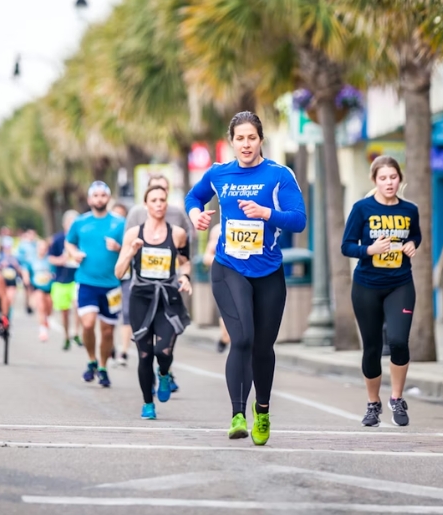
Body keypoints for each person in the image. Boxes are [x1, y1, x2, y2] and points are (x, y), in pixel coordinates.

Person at [185, 111, 306, 445]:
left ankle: (262, 411)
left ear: (261, 140)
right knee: (242, 339)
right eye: (240, 138)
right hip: (229, 267)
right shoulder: (219, 174)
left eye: (252, 137)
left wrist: (266, 213)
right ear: (232, 141)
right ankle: (238, 414)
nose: (246, 144)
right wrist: (197, 215)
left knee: (263, 347)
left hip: (268, 272)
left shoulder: (279, 175)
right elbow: (193, 197)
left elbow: (298, 220)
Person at [341, 156, 420, 428]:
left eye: (393, 177)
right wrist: (369, 250)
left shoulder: (410, 210)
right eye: (383, 178)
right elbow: (347, 246)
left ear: (400, 179)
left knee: (398, 340)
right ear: (374, 180)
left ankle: (396, 398)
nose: (389, 183)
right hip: (366, 286)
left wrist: (411, 245)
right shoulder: (362, 209)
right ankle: (373, 403)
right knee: (372, 348)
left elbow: (416, 235)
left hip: (400, 283)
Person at [115, 185, 193, 419]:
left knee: (163, 350)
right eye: (154, 200)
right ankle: (148, 403)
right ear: (146, 205)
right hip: (141, 297)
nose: (159, 204)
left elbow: (185, 261)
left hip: (168, 298)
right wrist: (131, 252)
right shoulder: (133, 234)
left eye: (162, 200)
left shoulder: (177, 233)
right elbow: (118, 272)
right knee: (145, 354)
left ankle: (165, 373)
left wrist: (185, 277)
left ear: (166, 203)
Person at [66, 181, 126, 388]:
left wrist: (118, 247)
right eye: (96, 195)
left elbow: (130, 248)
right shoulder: (80, 222)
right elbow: (69, 242)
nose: (99, 199)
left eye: (103, 195)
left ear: (108, 198)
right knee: (88, 323)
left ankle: (102, 366)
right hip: (86, 282)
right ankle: (91, 359)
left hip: (112, 285)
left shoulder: (119, 223)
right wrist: (73, 253)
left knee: (108, 331)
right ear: (90, 199)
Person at [49, 210, 81, 351]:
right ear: (64, 224)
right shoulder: (57, 239)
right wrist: (60, 260)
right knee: (64, 311)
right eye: (69, 223)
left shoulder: (81, 239)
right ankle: (66, 335)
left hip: (78, 278)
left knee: (78, 306)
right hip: (61, 280)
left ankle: (76, 333)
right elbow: (50, 258)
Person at [111, 203, 132, 366]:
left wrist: (118, 248)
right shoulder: (106, 231)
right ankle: (111, 346)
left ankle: (124, 351)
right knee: (111, 312)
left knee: (126, 312)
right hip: (110, 279)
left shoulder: (130, 232)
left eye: (121, 215)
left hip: (126, 277)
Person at [203, 223, 230, 353]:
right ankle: (224, 340)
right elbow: (206, 258)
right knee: (228, 334)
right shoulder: (218, 229)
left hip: (247, 279)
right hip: (224, 280)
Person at [25, 238, 55, 342]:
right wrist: (26, 279)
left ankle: (47, 319)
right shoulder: (32, 260)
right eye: (40, 247)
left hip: (49, 288)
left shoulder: (50, 260)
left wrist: (50, 275)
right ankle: (42, 330)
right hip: (37, 287)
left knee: (49, 308)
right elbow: (26, 270)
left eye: (44, 248)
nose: (42, 250)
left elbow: (55, 273)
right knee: (41, 306)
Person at [17, 228, 39, 315]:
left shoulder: (35, 245)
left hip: (34, 268)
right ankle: (28, 303)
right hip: (25, 267)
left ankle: (31, 303)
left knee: (32, 286)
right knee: (27, 285)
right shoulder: (23, 245)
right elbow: (19, 258)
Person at [0, 241, 23, 317]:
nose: (7, 249)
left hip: (12, 282)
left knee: (10, 300)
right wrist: (1, 266)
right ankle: (4, 315)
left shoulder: (15, 258)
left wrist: (16, 266)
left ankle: (8, 316)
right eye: (6, 247)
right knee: (4, 300)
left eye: (9, 247)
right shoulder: (0, 258)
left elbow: (20, 271)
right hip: (3, 282)